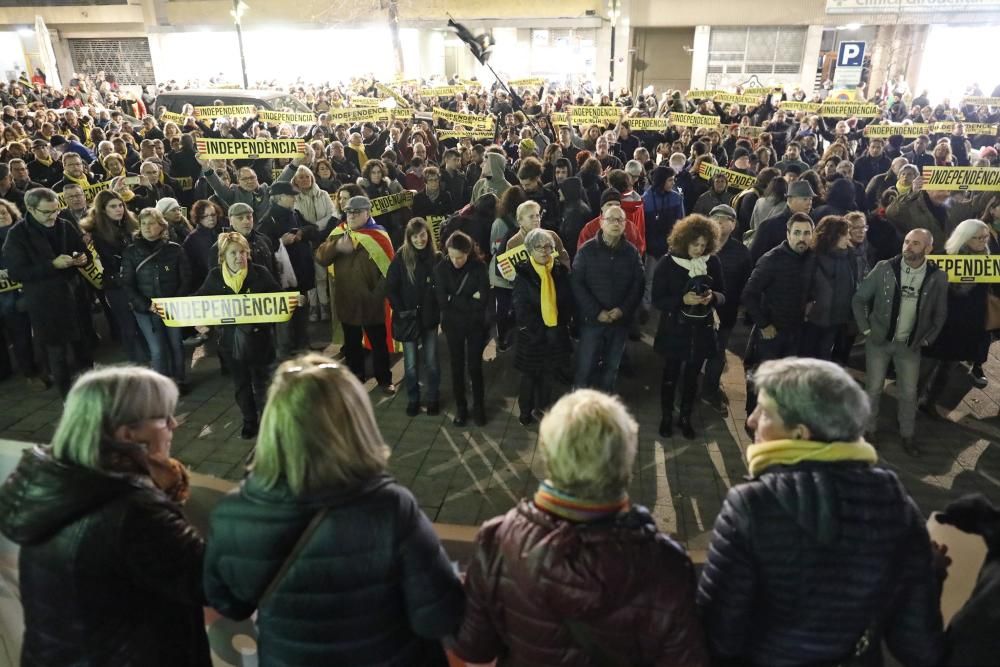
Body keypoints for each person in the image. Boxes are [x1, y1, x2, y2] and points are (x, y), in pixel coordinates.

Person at [203, 353, 463, 666]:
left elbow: (229, 603)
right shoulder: (392, 509)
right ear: (356, 422)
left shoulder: (233, 514)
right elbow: (437, 619)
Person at [698, 357, 946, 667]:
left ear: (800, 433)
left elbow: (720, 634)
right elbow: (917, 644)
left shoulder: (752, 505)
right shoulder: (894, 501)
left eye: (764, 412)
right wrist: (929, 574)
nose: (750, 420)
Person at [452, 389, 709, 667]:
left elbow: (475, 648)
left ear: (548, 456)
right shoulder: (667, 566)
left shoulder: (498, 541)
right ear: (625, 463)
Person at [0, 366, 210, 666]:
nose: (174, 424)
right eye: (164, 418)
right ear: (128, 434)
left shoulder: (53, 485)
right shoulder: (134, 511)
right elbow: (211, 582)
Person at [853, 228, 947, 457]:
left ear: (928, 248)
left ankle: (907, 435)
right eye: (906, 242)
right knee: (873, 388)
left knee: (909, 393)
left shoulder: (937, 276)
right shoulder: (885, 268)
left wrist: (927, 339)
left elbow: (940, 313)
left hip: (909, 345)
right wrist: (866, 329)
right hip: (879, 341)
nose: (908, 247)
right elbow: (859, 299)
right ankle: (869, 431)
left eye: (916, 243)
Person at [2, 187, 93, 395]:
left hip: (74, 294)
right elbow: (16, 272)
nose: (53, 216)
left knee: (84, 345)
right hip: (45, 301)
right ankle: (66, 395)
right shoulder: (18, 235)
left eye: (56, 210)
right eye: (47, 212)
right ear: (31, 209)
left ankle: (91, 385)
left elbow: (82, 249)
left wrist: (82, 258)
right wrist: (52, 265)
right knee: (57, 352)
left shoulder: (64, 224)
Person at [194, 231, 284, 439]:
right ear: (222, 257)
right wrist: (198, 322)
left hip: (261, 340)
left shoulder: (260, 272)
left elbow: (278, 297)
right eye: (233, 253)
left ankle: (269, 420)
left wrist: (294, 302)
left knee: (263, 384)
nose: (239, 257)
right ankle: (250, 421)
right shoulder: (215, 277)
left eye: (243, 251)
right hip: (230, 343)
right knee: (242, 386)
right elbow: (198, 302)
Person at [314, 195, 396, 394]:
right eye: (348, 212)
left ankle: (385, 380)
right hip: (347, 300)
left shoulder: (378, 235)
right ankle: (356, 378)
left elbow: (390, 271)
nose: (351, 216)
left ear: (368, 213)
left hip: (372, 303)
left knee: (379, 344)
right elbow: (321, 257)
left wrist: (376, 295)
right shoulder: (338, 233)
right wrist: (336, 247)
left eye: (356, 213)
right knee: (351, 345)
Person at [653, 214, 725, 439]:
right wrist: (681, 300)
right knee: (670, 374)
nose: (699, 249)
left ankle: (685, 417)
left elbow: (724, 295)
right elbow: (657, 299)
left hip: (701, 330)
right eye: (695, 244)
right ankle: (666, 416)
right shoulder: (668, 263)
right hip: (675, 328)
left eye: (704, 245)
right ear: (684, 241)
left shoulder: (712, 262)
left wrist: (712, 297)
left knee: (692, 376)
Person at [742, 213, 815, 414]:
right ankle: (753, 419)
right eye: (797, 232)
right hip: (770, 334)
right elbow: (749, 294)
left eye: (807, 233)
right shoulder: (771, 260)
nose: (802, 238)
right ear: (788, 234)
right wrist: (764, 325)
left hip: (795, 331)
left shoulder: (811, 258)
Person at [921, 219, 992, 415]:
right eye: (979, 238)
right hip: (942, 322)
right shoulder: (944, 258)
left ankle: (929, 402)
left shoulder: (988, 261)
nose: (983, 241)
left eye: (986, 237)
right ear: (965, 238)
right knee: (926, 365)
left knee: (948, 367)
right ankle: (910, 401)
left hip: (968, 324)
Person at [571, 202, 644, 392]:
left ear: (625, 224)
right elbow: (577, 284)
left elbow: (638, 285)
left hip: (619, 322)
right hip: (592, 321)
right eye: (610, 219)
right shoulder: (586, 251)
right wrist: (597, 311)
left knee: (612, 367)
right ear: (601, 222)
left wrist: (622, 310)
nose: (616, 223)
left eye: (620, 219)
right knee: (586, 366)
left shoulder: (631, 252)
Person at [121, 207, 192, 389]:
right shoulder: (130, 252)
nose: (147, 227)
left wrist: (174, 303)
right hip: (146, 310)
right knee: (157, 349)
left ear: (162, 226)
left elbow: (186, 278)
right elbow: (127, 284)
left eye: (151, 223)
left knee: (176, 344)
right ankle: (162, 384)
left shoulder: (175, 250)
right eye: (143, 223)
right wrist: (145, 305)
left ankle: (180, 380)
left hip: (172, 308)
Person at [513, 227, 574, 426]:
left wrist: (558, 325)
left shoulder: (559, 270)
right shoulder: (523, 274)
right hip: (532, 336)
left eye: (548, 246)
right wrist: (540, 329)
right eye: (539, 247)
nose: (544, 251)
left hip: (554, 334)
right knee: (529, 377)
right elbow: (521, 308)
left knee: (548, 375)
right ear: (530, 250)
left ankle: (543, 407)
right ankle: (525, 411)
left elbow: (566, 301)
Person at [81, 189, 147, 363]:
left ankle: (148, 358)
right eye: (113, 206)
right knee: (128, 325)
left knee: (143, 323)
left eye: (120, 205)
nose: (119, 209)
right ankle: (138, 362)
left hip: (137, 281)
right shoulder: (96, 234)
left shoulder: (130, 225)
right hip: (116, 285)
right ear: (103, 210)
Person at [386, 218, 441, 417]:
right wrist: (401, 310)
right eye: (415, 236)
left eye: (423, 235)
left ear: (428, 235)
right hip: (408, 319)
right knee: (410, 364)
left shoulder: (436, 257)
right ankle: (413, 398)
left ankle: (433, 398)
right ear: (409, 238)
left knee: (432, 361)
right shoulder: (401, 257)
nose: (420, 240)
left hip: (429, 318)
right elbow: (391, 288)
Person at [435, 231, 489, 427]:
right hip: (453, 326)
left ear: (468, 253)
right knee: (456, 366)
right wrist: (469, 298)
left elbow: (483, 299)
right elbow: (441, 300)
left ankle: (479, 407)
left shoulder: (479, 267)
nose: (456, 261)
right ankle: (461, 407)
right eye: (452, 256)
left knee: (475, 367)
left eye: (460, 257)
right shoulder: (441, 268)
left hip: (475, 325)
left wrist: (454, 299)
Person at [702, 204, 751, 411]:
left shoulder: (741, 252)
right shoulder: (698, 245)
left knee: (718, 353)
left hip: (726, 313)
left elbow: (746, 282)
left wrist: (741, 306)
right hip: (697, 312)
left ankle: (709, 390)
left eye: (726, 219)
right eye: (716, 218)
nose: (721, 223)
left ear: (734, 225)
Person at [802, 215, 859, 362]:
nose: (849, 238)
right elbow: (804, 288)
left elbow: (853, 285)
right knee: (808, 356)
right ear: (833, 236)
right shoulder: (812, 258)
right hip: (813, 320)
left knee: (825, 356)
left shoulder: (850, 256)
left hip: (837, 320)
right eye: (845, 235)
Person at [749, 179, 815, 264]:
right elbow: (754, 258)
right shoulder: (770, 226)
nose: (809, 203)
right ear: (790, 200)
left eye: (811, 199)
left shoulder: (813, 223)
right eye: (805, 199)